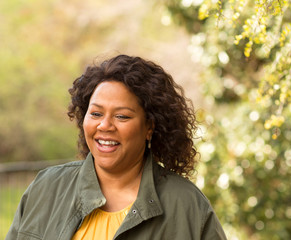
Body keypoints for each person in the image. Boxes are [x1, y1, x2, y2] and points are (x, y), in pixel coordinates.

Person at [6, 54, 227, 240]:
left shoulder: (187, 206)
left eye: (121, 116)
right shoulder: (46, 189)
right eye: (96, 114)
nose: (105, 125)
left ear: (149, 126)